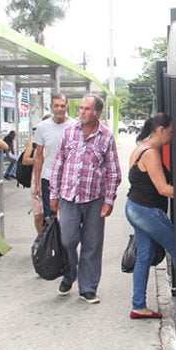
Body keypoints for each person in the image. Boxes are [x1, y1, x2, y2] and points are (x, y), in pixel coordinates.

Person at [49, 94, 122, 303]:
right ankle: (69, 274)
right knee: (68, 240)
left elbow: (113, 171)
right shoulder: (68, 133)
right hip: (69, 198)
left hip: (94, 199)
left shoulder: (106, 136)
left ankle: (88, 287)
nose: (81, 112)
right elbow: (58, 165)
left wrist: (109, 200)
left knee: (92, 244)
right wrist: (53, 195)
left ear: (97, 113)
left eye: (86, 109)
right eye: (80, 108)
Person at [125, 113, 175, 319]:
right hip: (147, 211)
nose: (171, 137)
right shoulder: (151, 154)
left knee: (144, 257)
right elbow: (163, 189)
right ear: (161, 130)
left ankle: (138, 306)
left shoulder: (139, 149)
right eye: (170, 132)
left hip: (135, 208)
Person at [33, 94, 77, 219]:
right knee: (49, 217)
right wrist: (37, 184)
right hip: (48, 177)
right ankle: (52, 239)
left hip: (69, 179)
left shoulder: (75, 126)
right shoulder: (42, 127)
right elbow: (39, 156)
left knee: (69, 217)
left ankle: (66, 239)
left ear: (66, 107)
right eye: (56, 105)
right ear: (51, 107)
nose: (59, 109)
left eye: (62, 106)